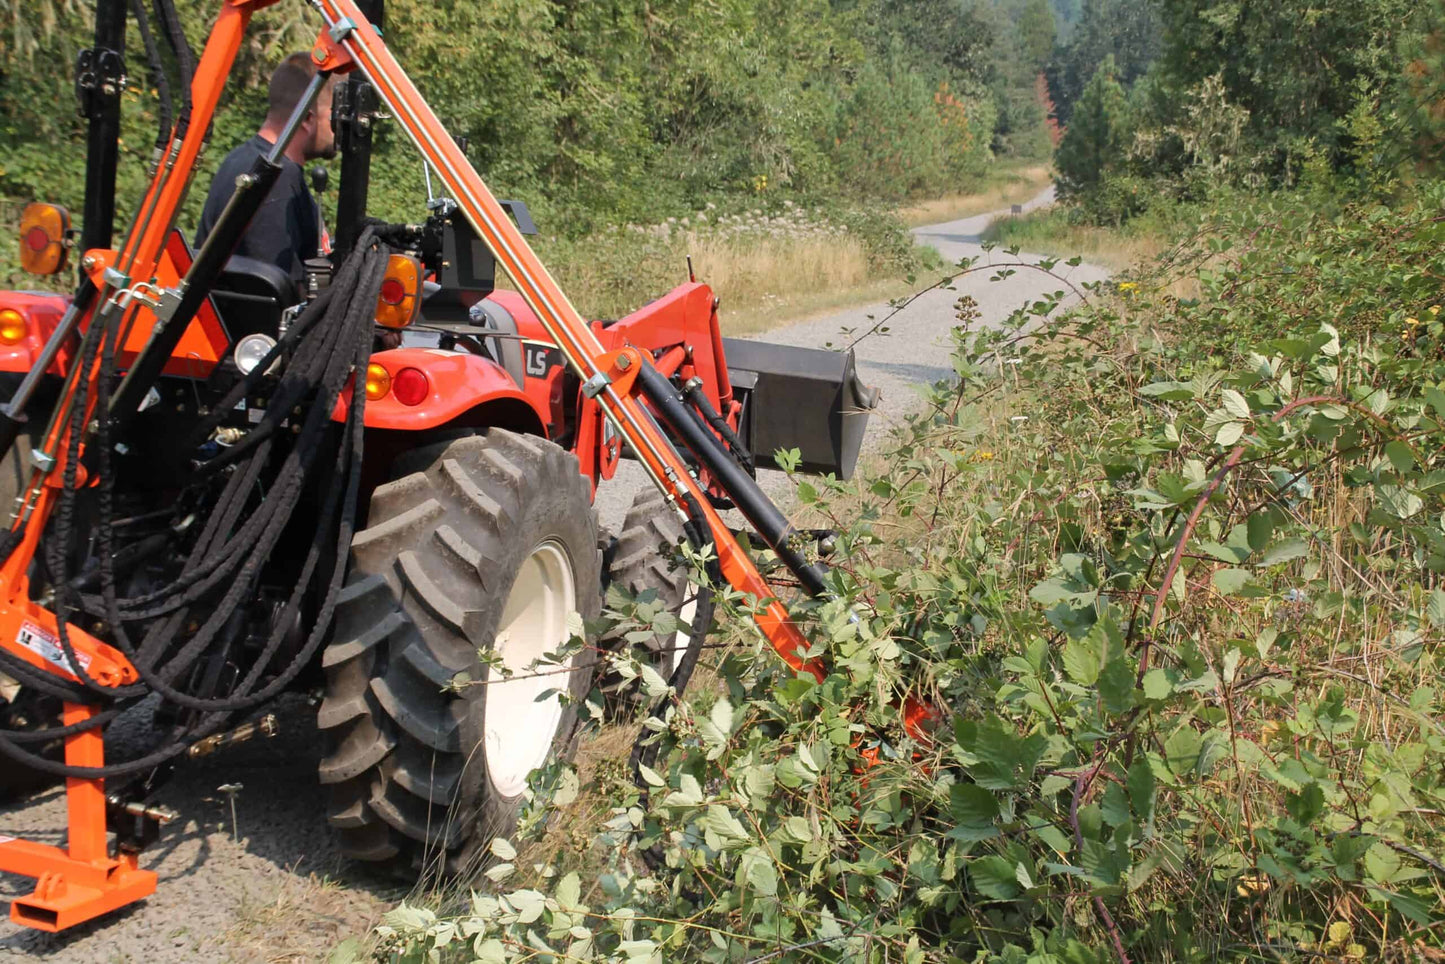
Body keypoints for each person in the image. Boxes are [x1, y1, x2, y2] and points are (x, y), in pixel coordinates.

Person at [194, 52, 335, 288]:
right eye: (334, 115)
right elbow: (271, 298)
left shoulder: (242, 159)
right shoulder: (274, 181)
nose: (339, 127)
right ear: (307, 119)